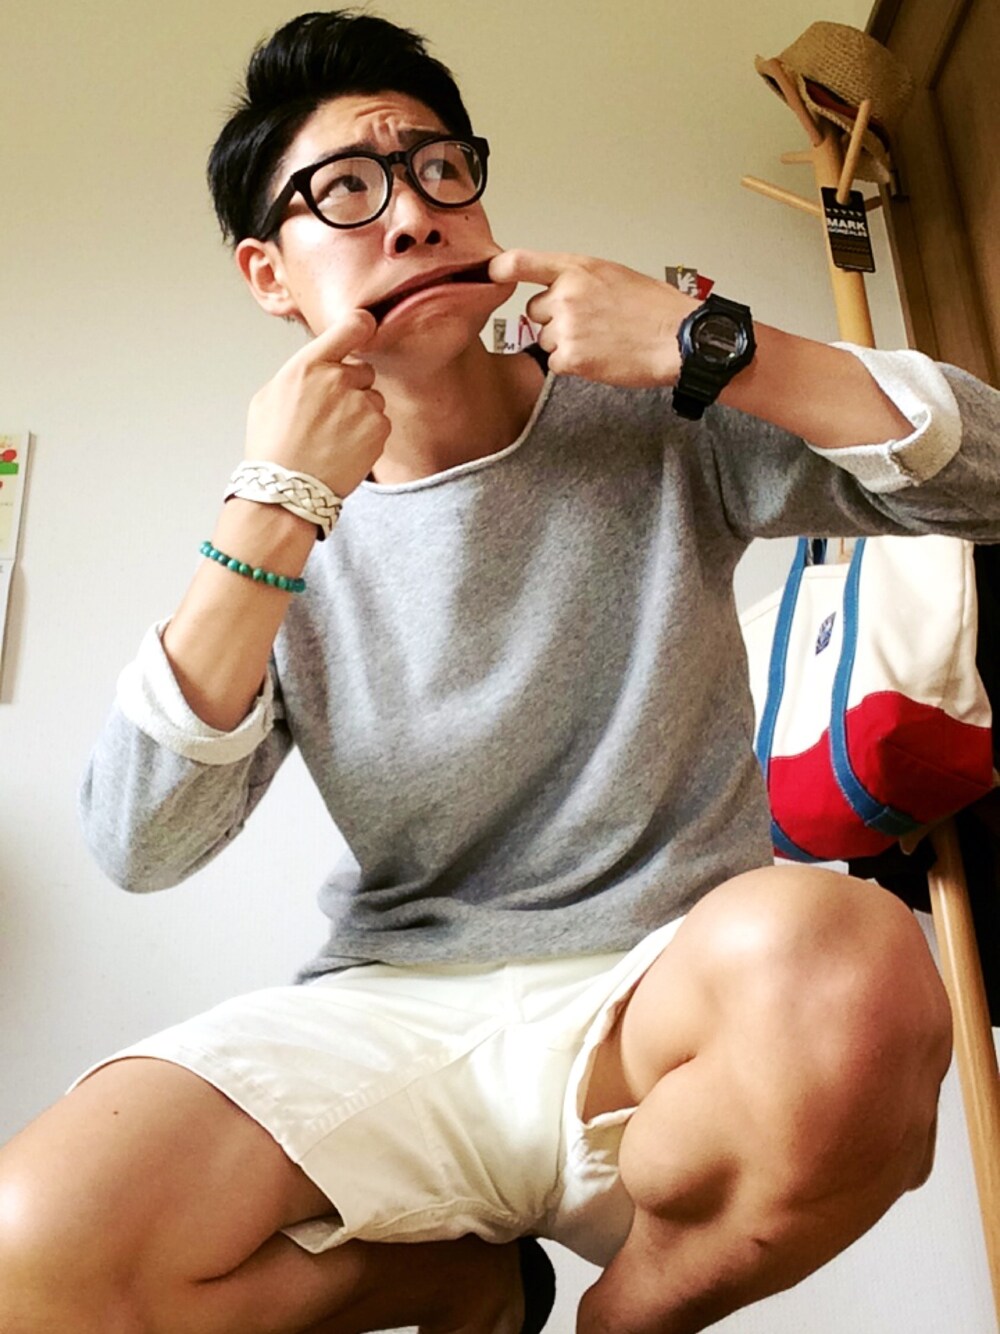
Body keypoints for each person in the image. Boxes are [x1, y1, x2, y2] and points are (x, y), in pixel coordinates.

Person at [3, 9, 998, 1333]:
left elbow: (991, 480)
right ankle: (465, 1282)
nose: (413, 215)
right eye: (346, 191)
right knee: (33, 1247)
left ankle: (631, 1313)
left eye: (437, 169)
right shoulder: (279, 534)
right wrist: (270, 507)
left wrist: (717, 345)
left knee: (857, 962)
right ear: (268, 274)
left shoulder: (658, 409)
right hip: (392, 1011)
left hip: (664, 999)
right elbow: (138, 844)